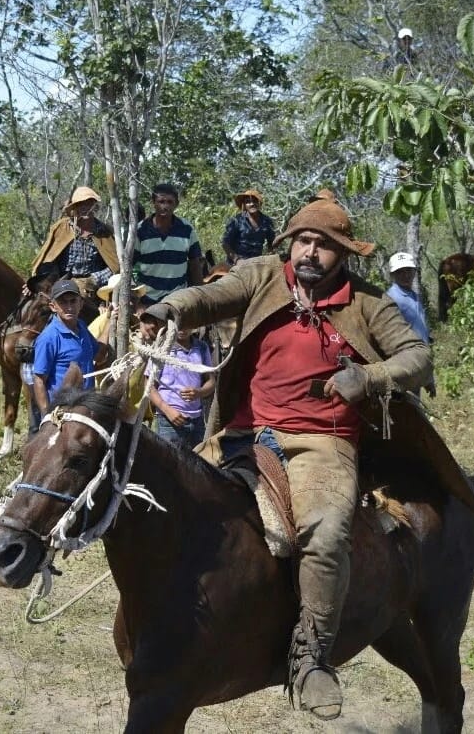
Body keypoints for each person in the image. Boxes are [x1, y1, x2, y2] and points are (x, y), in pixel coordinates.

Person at [144, 198, 432, 721]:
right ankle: (163, 627)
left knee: (324, 534)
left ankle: (313, 656)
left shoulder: (368, 303)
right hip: (242, 431)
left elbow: (417, 355)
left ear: (343, 254)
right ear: (289, 244)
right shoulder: (261, 276)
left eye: (324, 245)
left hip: (320, 441)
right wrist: (171, 307)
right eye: (303, 241)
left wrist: (367, 377)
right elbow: (212, 295)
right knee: (166, 501)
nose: (311, 252)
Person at [32, 280, 112, 417]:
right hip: (63, 411)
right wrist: (47, 415)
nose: (69, 307)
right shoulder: (49, 338)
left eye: (73, 301)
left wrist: (110, 321)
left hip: (86, 408)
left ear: (81, 303)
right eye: (63, 302)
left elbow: (98, 355)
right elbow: (39, 380)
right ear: (53, 306)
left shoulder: (81, 327)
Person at [31, 186, 120, 299]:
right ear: (75, 207)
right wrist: (52, 281)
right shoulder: (61, 228)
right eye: (81, 204)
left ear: (94, 206)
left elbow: (115, 267)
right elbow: (47, 260)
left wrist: (93, 279)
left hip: (94, 291)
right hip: (60, 285)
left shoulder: (104, 232)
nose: (86, 207)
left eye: (89, 204)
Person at [133, 183, 204, 306]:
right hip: (147, 299)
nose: (165, 206)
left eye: (170, 202)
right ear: (153, 203)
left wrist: (201, 297)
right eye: (161, 201)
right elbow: (129, 267)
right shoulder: (140, 230)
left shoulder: (186, 229)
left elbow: (195, 265)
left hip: (178, 298)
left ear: (176, 204)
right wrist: (137, 302)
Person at [147, 328, 214, 450]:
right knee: (169, 465)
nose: (183, 328)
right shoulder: (162, 348)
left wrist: (199, 392)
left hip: (197, 421)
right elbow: (149, 385)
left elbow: (211, 381)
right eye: (180, 324)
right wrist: (166, 410)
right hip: (168, 422)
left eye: (188, 323)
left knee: (197, 465)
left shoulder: (202, 348)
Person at [386, 251, 435, 396]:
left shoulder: (415, 297)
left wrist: (427, 376)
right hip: (403, 364)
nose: (406, 275)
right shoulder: (390, 299)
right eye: (400, 272)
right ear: (393, 275)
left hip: (418, 361)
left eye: (409, 271)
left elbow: (422, 333)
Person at [222, 189, 276, 263]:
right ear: (244, 205)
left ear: (259, 203)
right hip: (236, 263)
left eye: (255, 201)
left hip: (256, 262)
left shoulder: (267, 221)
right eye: (248, 202)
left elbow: (271, 242)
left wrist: (270, 255)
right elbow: (225, 243)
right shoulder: (236, 221)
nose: (252, 204)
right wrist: (236, 259)